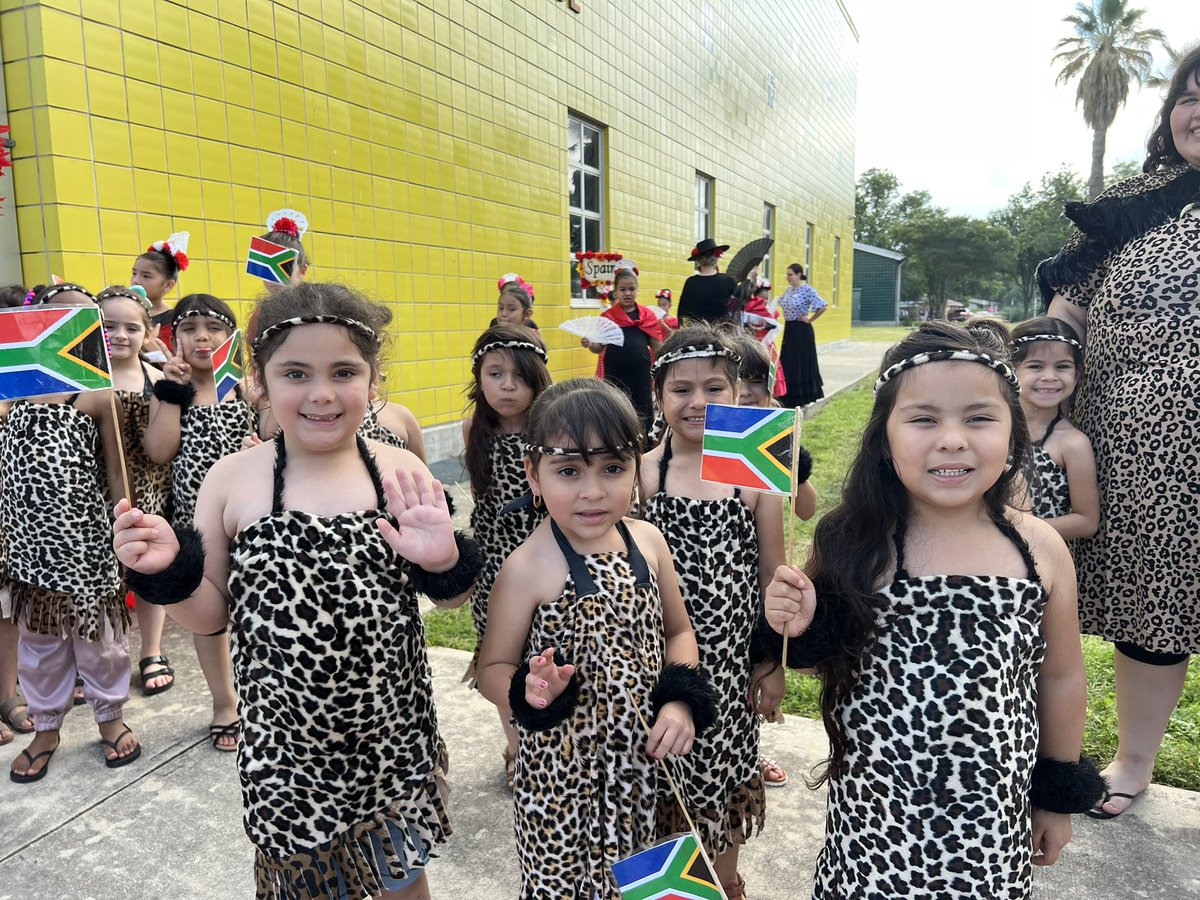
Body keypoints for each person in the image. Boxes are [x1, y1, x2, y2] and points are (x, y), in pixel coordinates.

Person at [115, 281, 482, 898]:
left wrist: (444, 560)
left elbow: (449, 600)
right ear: (258, 379)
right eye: (295, 373)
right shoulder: (232, 481)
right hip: (287, 752)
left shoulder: (402, 472)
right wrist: (166, 571)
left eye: (344, 371)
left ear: (374, 377)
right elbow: (209, 616)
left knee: (403, 881)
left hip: (390, 737)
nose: (321, 393)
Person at [763, 321, 1102, 898]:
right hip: (874, 819)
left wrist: (1055, 794)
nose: (951, 439)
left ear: (1013, 432)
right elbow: (814, 659)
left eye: (978, 417)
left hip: (991, 821)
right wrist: (800, 625)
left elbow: (1063, 675)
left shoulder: (1039, 548)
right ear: (885, 436)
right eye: (923, 419)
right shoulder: (851, 541)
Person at [477, 378, 716, 900]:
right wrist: (530, 692)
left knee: (651, 887)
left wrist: (679, 701)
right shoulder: (525, 569)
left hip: (648, 769)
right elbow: (492, 667)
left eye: (612, 468)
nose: (592, 491)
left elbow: (679, 632)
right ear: (533, 477)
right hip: (562, 783)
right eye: (568, 471)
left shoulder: (649, 542)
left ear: (636, 469)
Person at [1042, 45, 1200, 821]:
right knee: (1151, 603)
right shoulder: (1133, 201)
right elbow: (1068, 308)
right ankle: (1133, 759)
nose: (1198, 112)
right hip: (1128, 445)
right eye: (1189, 96)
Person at [639, 327, 784, 898]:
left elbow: (773, 571)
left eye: (714, 387)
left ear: (736, 392)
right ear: (659, 395)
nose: (697, 401)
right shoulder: (641, 473)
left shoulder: (750, 470)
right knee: (665, 787)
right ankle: (674, 888)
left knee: (720, 787)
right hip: (660, 669)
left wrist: (770, 662)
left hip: (730, 673)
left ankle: (724, 880)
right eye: (681, 388)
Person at [4, 283, 140, 782]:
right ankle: (46, 725)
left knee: (100, 639)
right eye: (53, 317)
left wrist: (125, 526)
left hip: (86, 544)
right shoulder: (11, 392)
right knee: (38, 642)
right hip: (28, 545)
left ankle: (110, 716)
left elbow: (117, 471)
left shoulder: (97, 394)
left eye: (82, 322)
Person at [143, 293, 246, 752]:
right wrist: (171, 392)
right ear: (174, 338)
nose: (202, 336)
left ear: (231, 337)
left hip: (252, 521)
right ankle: (225, 702)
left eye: (214, 327)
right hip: (197, 523)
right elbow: (159, 451)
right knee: (210, 619)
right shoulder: (170, 390)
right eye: (189, 328)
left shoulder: (248, 386)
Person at [461, 324, 552, 789]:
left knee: (545, 650)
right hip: (496, 561)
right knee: (503, 656)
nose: (507, 386)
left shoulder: (550, 427)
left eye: (518, 375)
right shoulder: (475, 427)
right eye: (494, 374)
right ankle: (516, 745)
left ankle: (548, 741)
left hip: (545, 560)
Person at [97, 286, 176, 697]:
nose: (120, 335)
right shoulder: (83, 378)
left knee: (148, 572)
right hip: (96, 493)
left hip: (149, 488)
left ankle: (152, 650)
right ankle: (105, 657)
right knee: (105, 579)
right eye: (109, 326)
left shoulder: (157, 378)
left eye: (131, 327)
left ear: (148, 333)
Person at [1009, 318, 1099, 540]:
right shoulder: (991, 427)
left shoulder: (1072, 443)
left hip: (1037, 558)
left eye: (1062, 366)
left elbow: (1086, 522)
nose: (1050, 376)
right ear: (1011, 370)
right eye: (1036, 366)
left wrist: (1015, 532)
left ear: (1077, 374)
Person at [731, 331, 817, 523]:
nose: (745, 392)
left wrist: (797, 471)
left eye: (756, 382)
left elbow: (806, 512)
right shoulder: (711, 434)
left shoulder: (773, 433)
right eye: (736, 383)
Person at [581, 263, 665, 437]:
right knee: (617, 405)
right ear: (616, 291)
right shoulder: (608, 317)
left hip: (641, 373)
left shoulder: (647, 316)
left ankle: (646, 444)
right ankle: (618, 440)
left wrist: (664, 365)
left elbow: (657, 346)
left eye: (632, 289)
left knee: (643, 407)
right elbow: (599, 348)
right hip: (615, 371)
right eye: (623, 289)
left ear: (637, 290)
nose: (627, 293)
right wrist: (590, 343)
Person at [131, 233, 189, 356]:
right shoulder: (124, 310)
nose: (136, 280)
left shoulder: (175, 321)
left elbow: (178, 367)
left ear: (168, 285)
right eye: (134, 273)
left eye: (146, 276)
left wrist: (150, 343)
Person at [778, 263, 826, 408]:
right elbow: (782, 303)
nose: (787, 277)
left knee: (800, 361)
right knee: (788, 360)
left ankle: (803, 396)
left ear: (799, 275)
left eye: (790, 274)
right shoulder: (788, 290)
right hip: (789, 328)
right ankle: (788, 394)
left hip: (802, 330)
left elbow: (822, 306)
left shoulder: (807, 290)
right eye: (787, 274)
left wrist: (810, 319)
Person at [677, 238, 737, 325]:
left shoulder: (691, 283)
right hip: (723, 333)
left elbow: (682, 313)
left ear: (698, 261)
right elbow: (739, 304)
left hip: (698, 333)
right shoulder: (727, 281)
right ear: (716, 258)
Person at [258, 209, 311, 294]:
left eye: (284, 266)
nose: (274, 276)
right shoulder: (261, 306)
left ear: (302, 271)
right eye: (267, 267)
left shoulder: (315, 304)